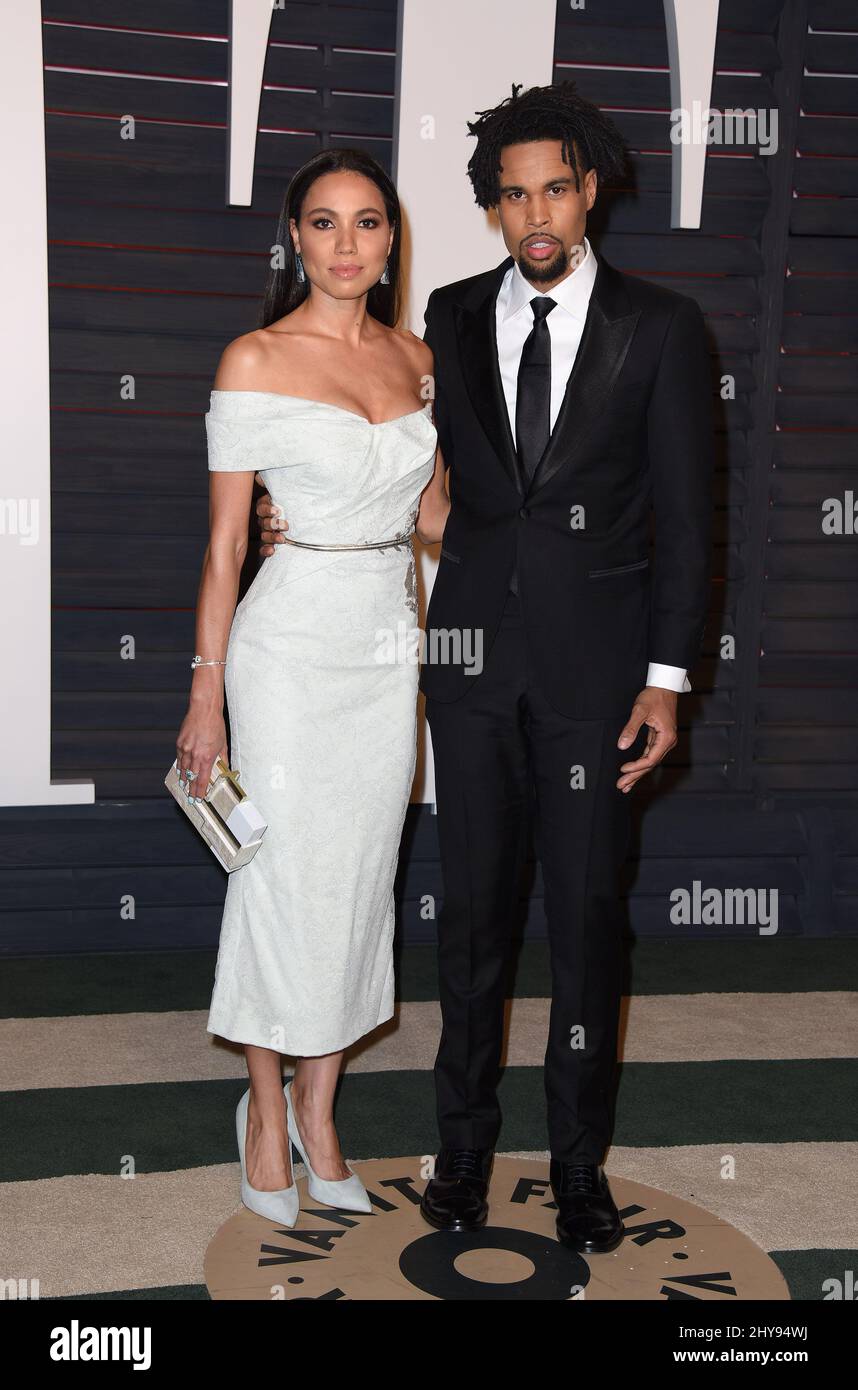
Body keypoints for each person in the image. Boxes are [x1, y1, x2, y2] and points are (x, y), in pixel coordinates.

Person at [255, 81, 714, 1253]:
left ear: (590, 188)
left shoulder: (661, 329)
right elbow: (398, 470)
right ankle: (459, 1152)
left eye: (554, 187)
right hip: (465, 666)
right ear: (491, 210)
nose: (535, 214)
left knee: (587, 920)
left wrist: (666, 680)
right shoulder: (447, 324)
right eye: (511, 196)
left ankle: (577, 1165)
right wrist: (293, 520)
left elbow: (689, 521)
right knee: (470, 923)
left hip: (602, 682)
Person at [174, 148, 447, 1226]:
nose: (346, 243)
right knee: (281, 874)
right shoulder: (253, 359)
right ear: (296, 238)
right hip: (285, 644)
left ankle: (321, 1113)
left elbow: (434, 515)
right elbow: (225, 544)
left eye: (367, 222)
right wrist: (206, 694)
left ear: (390, 240)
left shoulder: (416, 358)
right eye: (323, 222)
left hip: (387, 643)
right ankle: (259, 1104)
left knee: (360, 873)